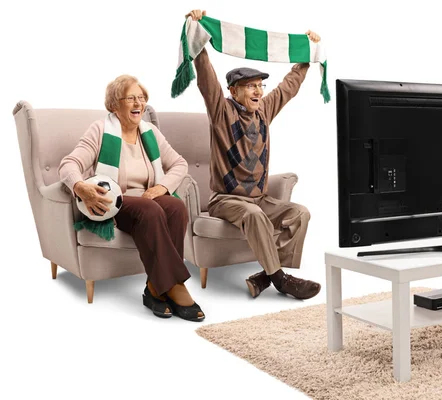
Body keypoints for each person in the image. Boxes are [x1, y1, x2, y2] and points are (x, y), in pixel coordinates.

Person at [187, 9, 322, 300]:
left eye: (260, 86)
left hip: (259, 198)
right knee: (254, 214)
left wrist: (305, 58)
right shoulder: (222, 112)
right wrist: (198, 38)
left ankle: (267, 276)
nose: (258, 91)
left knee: (300, 213)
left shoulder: (263, 111)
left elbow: (288, 88)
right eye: (250, 86)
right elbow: (207, 80)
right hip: (226, 200)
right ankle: (282, 281)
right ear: (234, 92)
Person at [58, 75, 205, 322]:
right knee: (151, 210)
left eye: (142, 98)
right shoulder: (100, 130)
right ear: (115, 105)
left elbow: (179, 163)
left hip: (149, 197)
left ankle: (156, 290)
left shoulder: (150, 132)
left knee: (176, 207)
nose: (139, 103)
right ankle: (175, 285)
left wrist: (163, 187)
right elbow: (68, 164)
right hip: (117, 203)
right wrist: (80, 186)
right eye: (131, 98)